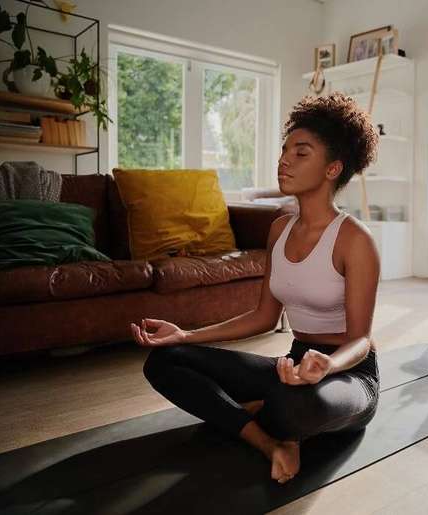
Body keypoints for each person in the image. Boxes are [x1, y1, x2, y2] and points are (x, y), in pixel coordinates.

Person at [130, 92, 380, 485]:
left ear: (332, 168)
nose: (284, 160)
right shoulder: (279, 229)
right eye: (284, 150)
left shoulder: (355, 240)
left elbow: (361, 340)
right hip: (292, 367)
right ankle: (270, 442)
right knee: (165, 360)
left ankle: (267, 417)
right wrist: (185, 335)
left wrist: (328, 365)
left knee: (295, 404)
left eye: (301, 153)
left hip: (350, 376)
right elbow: (265, 316)